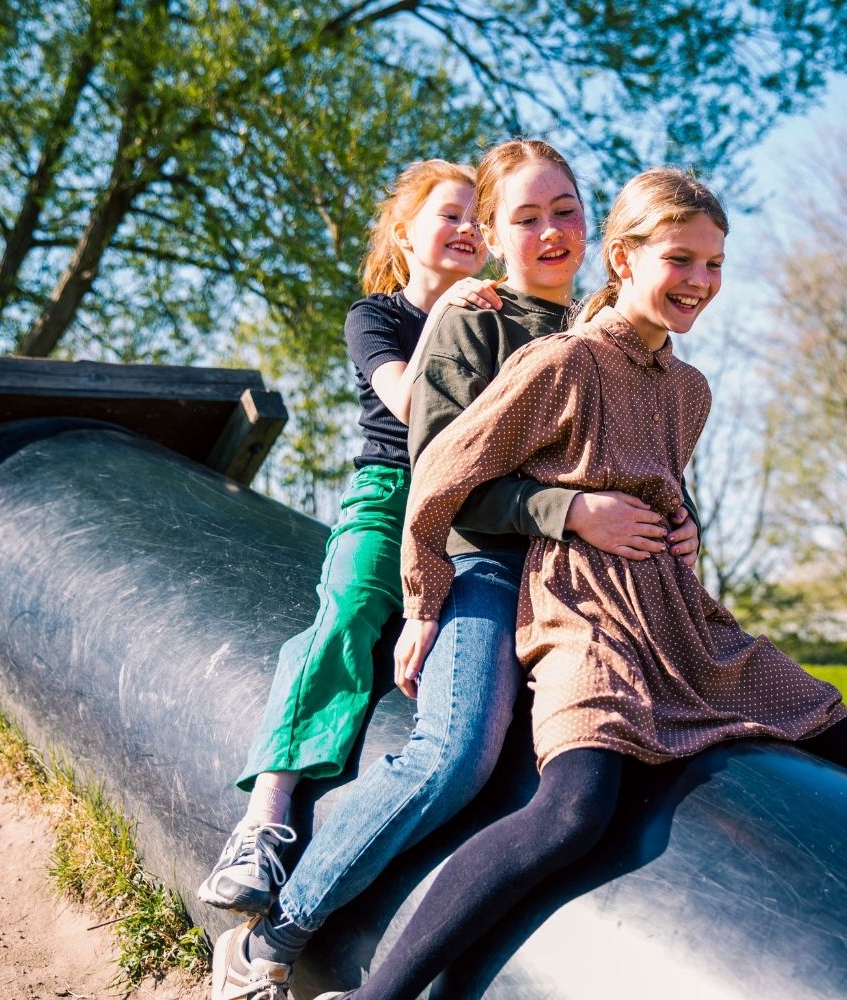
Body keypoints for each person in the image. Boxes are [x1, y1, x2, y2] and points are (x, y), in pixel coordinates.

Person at [321, 168, 847, 1000]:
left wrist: (683, 525)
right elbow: (440, 480)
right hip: (583, 614)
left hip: (680, 621)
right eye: (682, 260)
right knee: (573, 813)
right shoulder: (558, 361)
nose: (701, 284)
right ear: (624, 258)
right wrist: (427, 600)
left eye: (714, 265)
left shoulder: (690, 390)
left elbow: (659, 484)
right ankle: (379, 995)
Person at [209, 141, 700, 1000]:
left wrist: (677, 526)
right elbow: (443, 482)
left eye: (566, 211)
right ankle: (276, 933)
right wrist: (542, 528)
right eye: (526, 217)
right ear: (492, 232)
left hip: (589, 592)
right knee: (456, 753)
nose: (551, 231)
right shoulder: (474, 321)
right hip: (489, 567)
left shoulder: (610, 332)